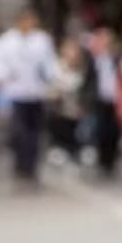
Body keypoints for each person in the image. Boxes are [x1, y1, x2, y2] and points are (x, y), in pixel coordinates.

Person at [0, 8, 58, 188]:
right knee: (19, 132)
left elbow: (49, 63)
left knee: (35, 133)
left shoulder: (42, 39)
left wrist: (52, 79)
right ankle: (20, 166)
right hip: (16, 92)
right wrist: (3, 76)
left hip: (36, 92)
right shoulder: (7, 41)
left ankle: (31, 168)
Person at [82, 28, 122, 180]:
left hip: (115, 100)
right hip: (99, 101)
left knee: (115, 132)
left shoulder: (118, 59)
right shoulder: (93, 60)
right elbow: (87, 81)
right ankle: (102, 162)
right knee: (100, 131)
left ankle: (111, 162)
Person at [47, 39, 87, 170]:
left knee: (73, 132)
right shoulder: (57, 66)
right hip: (59, 106)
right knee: (60, 130)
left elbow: (80, 86)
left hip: (74, 106)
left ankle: (72, 154)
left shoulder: (81, 68)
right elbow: (54, 83)